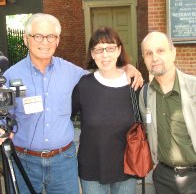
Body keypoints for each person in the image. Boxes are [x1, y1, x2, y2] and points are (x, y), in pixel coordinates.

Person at [0, 13, 143, 194]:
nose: (45, 42)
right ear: (26, 39)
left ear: (57, 40)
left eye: (51, 36)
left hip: (63, 162)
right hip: (24, 160)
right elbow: (3, 114)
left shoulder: (72, 73)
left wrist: (126, 68)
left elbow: (103, 72)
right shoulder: (11, 76)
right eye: (38, 36)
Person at [72, 26, 138, 194]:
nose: (105, 54)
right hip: (92, 167)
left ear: (119, 50)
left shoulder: (134, 85)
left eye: (110, 48)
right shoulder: (83, 85)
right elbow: (64, 116)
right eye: (99, 50)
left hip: (127, 167)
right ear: (93, 54)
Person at [139, 31, 196, 194]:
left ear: (173, 53)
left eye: (160, 51)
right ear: (144, 59)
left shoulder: (193, 88)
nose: (154, 57)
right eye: (149, 53)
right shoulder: (144, 95)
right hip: (163, 178)